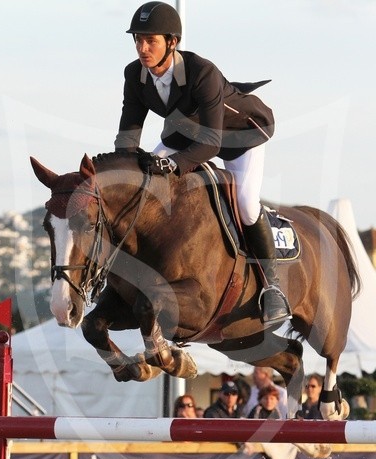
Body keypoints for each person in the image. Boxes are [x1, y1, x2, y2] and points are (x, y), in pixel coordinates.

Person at [114, 1, 291, 326]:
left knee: (247, 204)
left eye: (149, 40)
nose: (142, 48)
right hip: (186, 131)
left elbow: (209, 144)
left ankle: (272, 288)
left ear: (172, 42)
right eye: (137, 39)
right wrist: (120, 169)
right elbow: (128, 133)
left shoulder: (201, 72)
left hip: (238, 137)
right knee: (142, 185)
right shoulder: (134, 75)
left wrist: (174, 165)